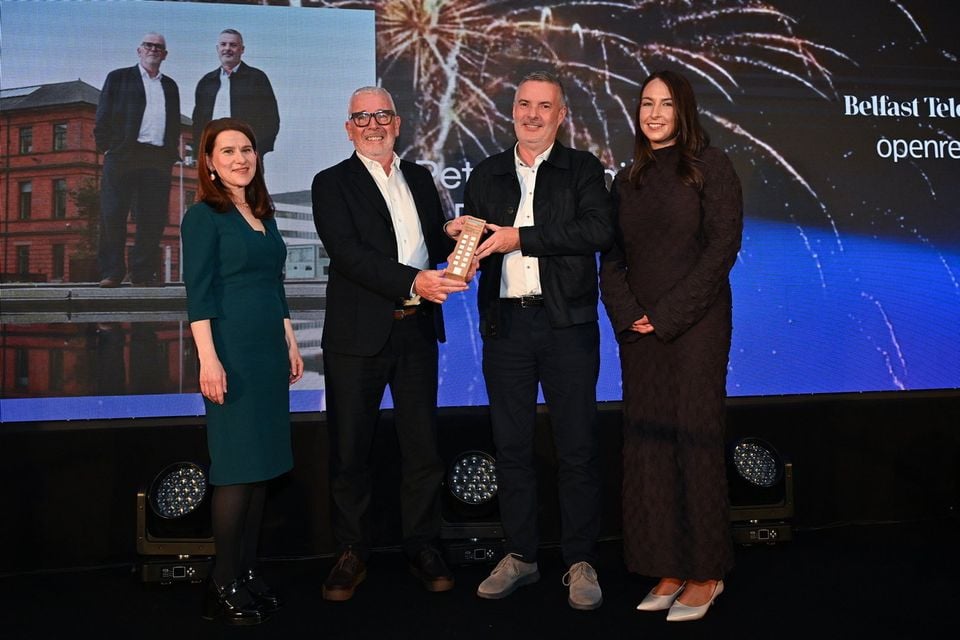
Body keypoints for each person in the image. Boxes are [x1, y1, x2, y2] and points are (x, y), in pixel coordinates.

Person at [454, 70, 614, 611]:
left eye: (544, 106)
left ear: (561, 115)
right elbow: (472, 242)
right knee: (512, 448)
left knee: (577, 448)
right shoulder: (487, 172)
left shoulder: (584, 169)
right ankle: (520, 554)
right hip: (507, 329)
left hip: (568, 326)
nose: (532, 114)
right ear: (512, 110)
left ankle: (580, 561)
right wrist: (462, 247)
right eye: (524, 104)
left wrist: (518, 238)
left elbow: (597, 231)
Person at [311, 86, 469, 601]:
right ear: (349, 127)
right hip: (358, 336)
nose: (373, 124)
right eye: (362, 117)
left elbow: (433, 241)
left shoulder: (421, 177)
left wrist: (456, 230)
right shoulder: (330, 183)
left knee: (422, 448)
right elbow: (350, 255)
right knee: (351, 449)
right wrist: (415, 281)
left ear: (397, 123)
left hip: (417, 331)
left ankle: (422, 544)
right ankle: (352, 549)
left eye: (382, 115)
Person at [599, 69, 743, 622]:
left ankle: (706, 572)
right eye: (645, 103)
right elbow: (610, 258)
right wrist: (630, 315)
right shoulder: (627, 178)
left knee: (694, 439)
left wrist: (662, 316)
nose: (654, 113)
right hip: (639, 332)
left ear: (684, 110)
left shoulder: (713, 167)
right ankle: (668, 565)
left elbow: (722, 250)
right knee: (648, 445)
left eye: (665, 104)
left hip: (696, 328)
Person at [181, 118, 304, 626]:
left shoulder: (263, 215)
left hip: (268, 354)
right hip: (229, 352)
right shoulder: (203, 217)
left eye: (247, 149)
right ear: (209, 161)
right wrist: (209, 360)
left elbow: (274, 286)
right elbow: (199, 294)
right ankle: (221, 584)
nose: (240, 158)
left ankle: (246, 573)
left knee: (261, 471)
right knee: (235, 470)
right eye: (227, 151)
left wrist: (291, 342)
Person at [94, 32, 180, 287]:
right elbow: (103, 115)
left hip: (157, 157)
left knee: (152, 217)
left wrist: (170, 154)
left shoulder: (170, 85)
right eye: (149, 45)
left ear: (164, 55)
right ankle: (112, 272)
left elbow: (174, 122)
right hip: (123, 154)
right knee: (113, 214)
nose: (153, 49)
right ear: (139, 50)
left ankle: (142, 273)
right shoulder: (119, 78)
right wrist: (108, 147)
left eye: (159, 47)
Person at [192, 29, 280, 159]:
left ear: (242, 49)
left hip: (245, 156)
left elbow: (271, 119)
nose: (227, 49)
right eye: (223, 44)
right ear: (217, 49)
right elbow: (198, 122)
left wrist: (256, 149)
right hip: (213, 154)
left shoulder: (257, 79)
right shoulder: (207, 82)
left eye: (233, 45)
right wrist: (200, 153)